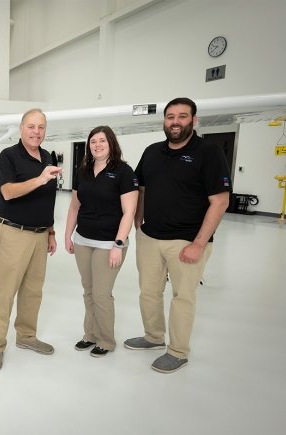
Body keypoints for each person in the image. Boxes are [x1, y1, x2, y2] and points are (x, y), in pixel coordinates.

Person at [124, 97, 231, 373]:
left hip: (187, 240)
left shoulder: (209, 152)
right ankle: (153, 337)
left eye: (182, 116)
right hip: (150, 237)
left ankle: (178, 351)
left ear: (194, 121)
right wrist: (138, 223)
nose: (175, 122)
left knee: (182, 297)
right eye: (170, 116)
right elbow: (142, 189)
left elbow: (220, 201)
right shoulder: (151, 152)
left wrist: (199, 243)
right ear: (164, 121)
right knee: (149, 292)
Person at [0, 108, 63, 372]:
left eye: (41, 127)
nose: (36, 132)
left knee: (33, 291)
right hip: (14, 234)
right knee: (6, 292)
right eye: (31, 126)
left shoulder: (47, 156)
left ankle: (27, 336)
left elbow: (49, 198)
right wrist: (40, 179)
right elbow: (7, 192)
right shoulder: (8, 156)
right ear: (21, 128)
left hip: (40, 235)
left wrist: (51, 232)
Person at [64, 126, 139, 358]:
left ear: (111, 143)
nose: (97, 145)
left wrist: (119, 243)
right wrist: (68, 234)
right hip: (84, 240)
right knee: (88, 290)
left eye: (102, 141)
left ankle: (106, 340)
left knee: (101, 294)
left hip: (109, 243)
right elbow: (75, 206)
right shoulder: (83, 171)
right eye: (93, 141)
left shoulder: (124, 172)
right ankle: (90, 335)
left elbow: (129, 211)